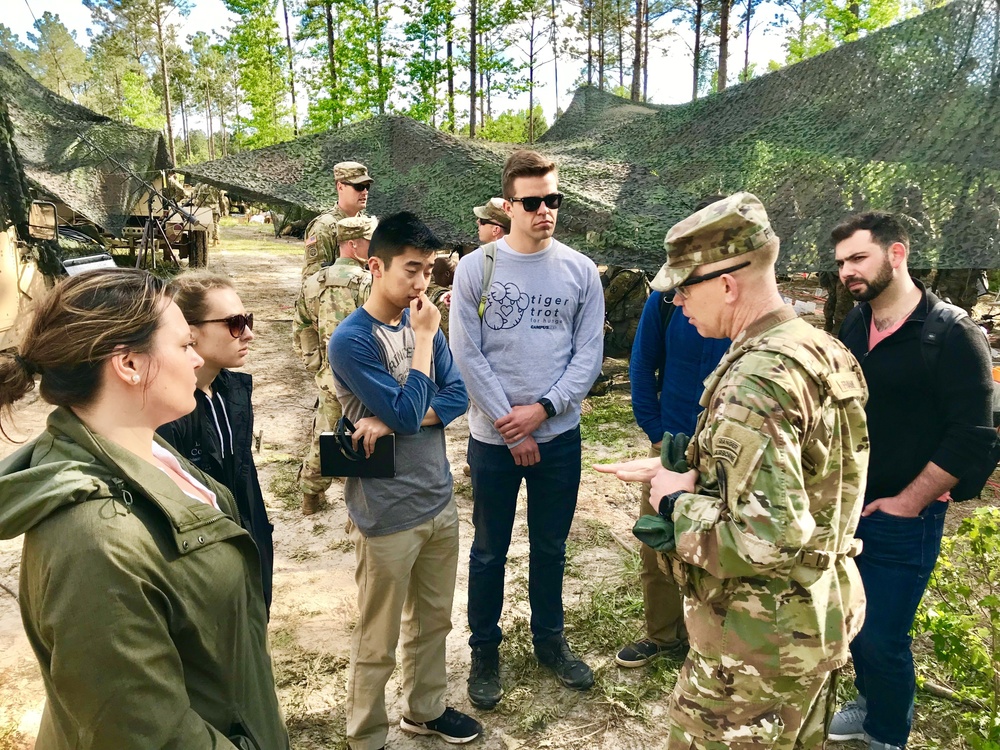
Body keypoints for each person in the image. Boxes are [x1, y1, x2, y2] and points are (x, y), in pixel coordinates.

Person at [596, 192, 869, 749]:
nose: (677, 304)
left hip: (756, 641)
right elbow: (813, 484)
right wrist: (693, 469)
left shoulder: (757, 379)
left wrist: (674, 499)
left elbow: (766, 537)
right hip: (814, 619)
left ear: (726, 283)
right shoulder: (822, 351)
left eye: (683, 289)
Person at [0, 268, 288, 749]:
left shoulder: (152, 451)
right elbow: (146, 733)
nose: (197, 359)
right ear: (129, 365)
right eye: (182, 346)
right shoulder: (96, 541)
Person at [829, 212, 996, 750]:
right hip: (848, 507)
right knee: (852, 622)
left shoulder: (950, 334)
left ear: (896, 254)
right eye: (840, 264)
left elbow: (975, 435)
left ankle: (886, 734)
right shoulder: (855, 324)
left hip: (907, 518)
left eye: (858, 258)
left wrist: (907, 501)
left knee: (884, 637)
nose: (847, 272)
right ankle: (868, 701)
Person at [450, 150, 606, 709]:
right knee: (490, 550)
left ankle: (549, 643)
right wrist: (510, 427)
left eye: (554, 201)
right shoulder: (476, 268)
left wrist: (544, 410)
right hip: (494, 442)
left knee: (551, 546)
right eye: (534, 202)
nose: (546, 212)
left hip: (559, 437)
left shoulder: (580, 271)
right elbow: (467, 354)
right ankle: (484, 652)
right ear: (510, 205)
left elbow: (588, 354)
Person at [328, 212, 481, 750]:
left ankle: (425, 709)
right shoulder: (350, 340)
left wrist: (396, 416)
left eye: (429, 271)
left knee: (434, 621)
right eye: (411, 269)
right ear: (376, 265)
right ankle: (365, 734)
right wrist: (421, 346)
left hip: (437, 497)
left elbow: (458, 396)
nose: (422, 284)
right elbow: (410, 403)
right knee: (378, 637)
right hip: (386, 510)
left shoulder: (424, 322)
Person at [615, 195, 731, 670]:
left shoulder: (750, 313)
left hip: (729, 453)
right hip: (675, 446)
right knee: (659, 544)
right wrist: (658, 433)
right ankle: (663, 637)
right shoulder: (666, 302)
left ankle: (714, 644)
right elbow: (642, 365)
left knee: (722, 548)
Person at [157, 270, 275, 613]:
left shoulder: (231, 391)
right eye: (235, 323)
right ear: (190, 331)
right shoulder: (166, 411)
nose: (248, 334)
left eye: (247, 320)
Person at [294, 215, 377, 515]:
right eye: (370, 241)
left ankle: (311, 496)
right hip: (364, 378)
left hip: (329, 377)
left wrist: (317, 365)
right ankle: (364, 506)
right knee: (369, 437)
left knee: (326, 434)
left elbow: (302, 328)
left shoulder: (313, 283)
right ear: (354, 244)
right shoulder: (369, 283)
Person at [302, 161, 373, 279]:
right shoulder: (324, 227)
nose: (365, 192)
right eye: (359, 186)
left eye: (367, 186)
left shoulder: (368, 226)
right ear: (340, 187)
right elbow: (312, 281)